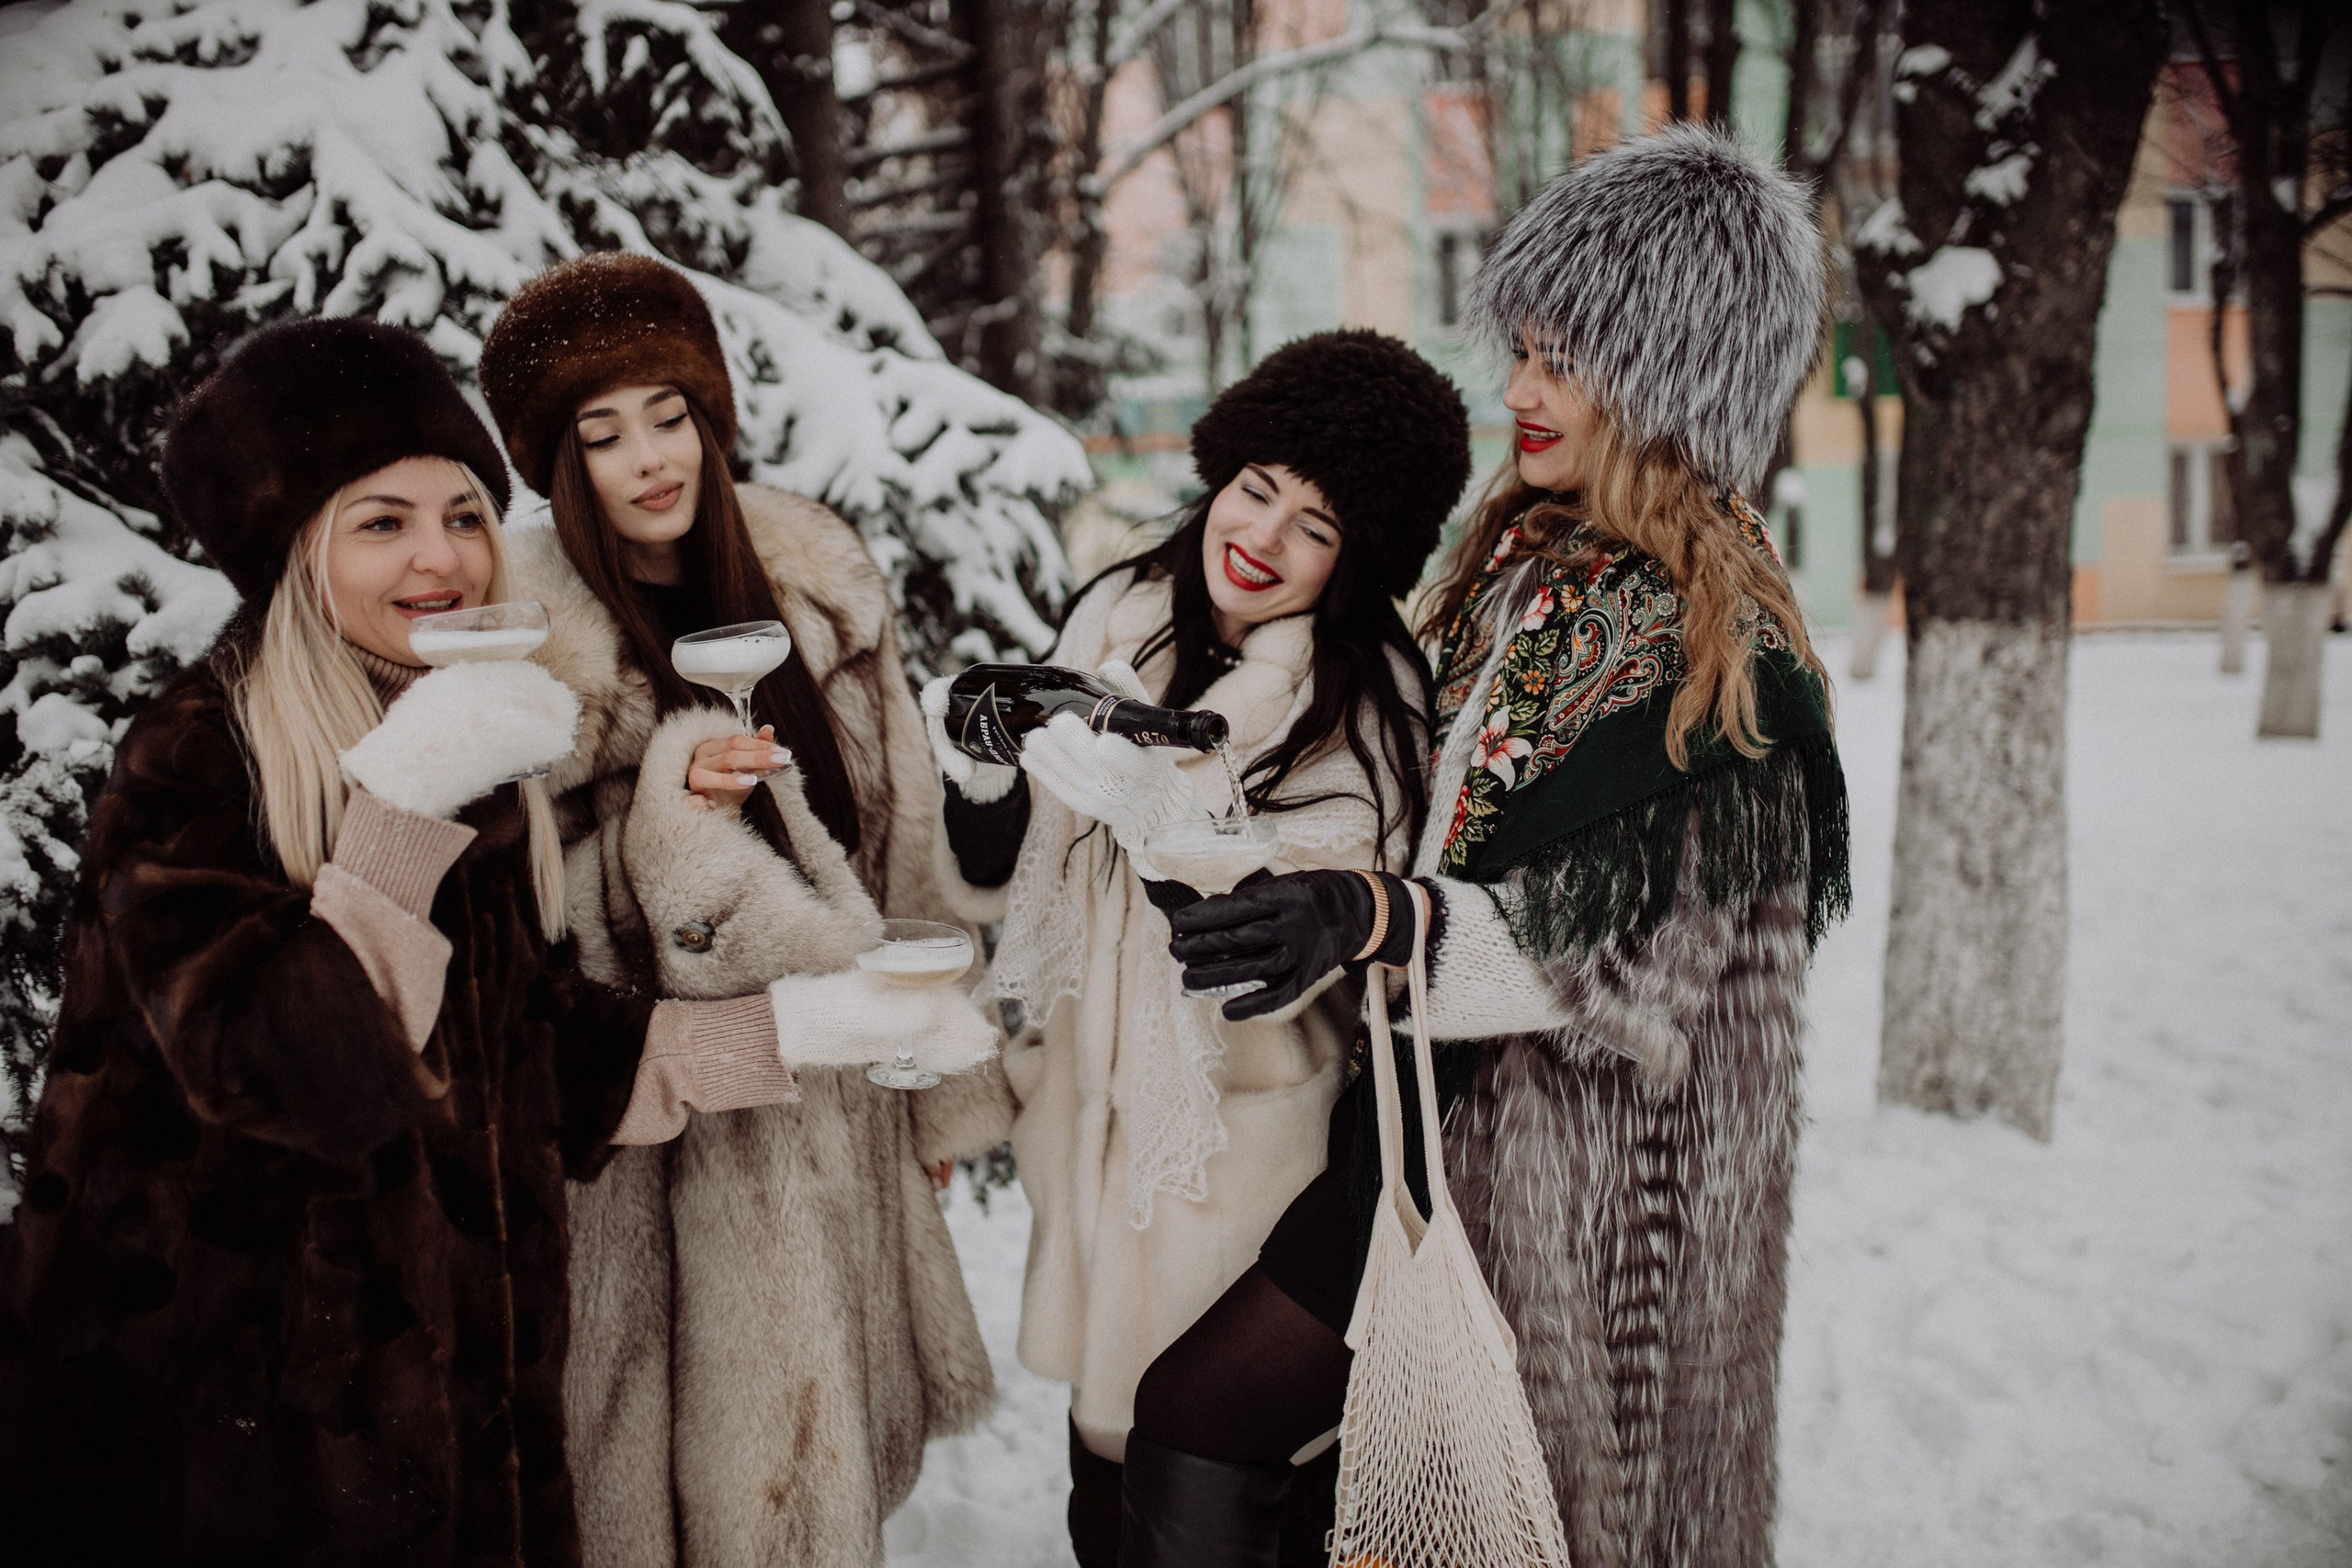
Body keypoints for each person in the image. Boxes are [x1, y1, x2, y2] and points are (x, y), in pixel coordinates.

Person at [0, 320, 987, 1563]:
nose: (442, 558)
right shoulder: (204, 755)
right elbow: (289, 1072)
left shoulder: (454, 738)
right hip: (229, 1445)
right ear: (295, 550)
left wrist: (806, 1027)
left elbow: (541, 1057)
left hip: (456, 1445)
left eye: (465, 515)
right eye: (382, 522)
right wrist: (400, 812)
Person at [1156, 125, 1851, 1567]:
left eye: (1565, 362)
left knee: (1410, 1491)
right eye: (1524, 348)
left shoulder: (1727, 653)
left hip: (1576, 1203)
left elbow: (1634, 978)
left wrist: (1379, 920)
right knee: (1283, 1467)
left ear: (1667, 380)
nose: (1521, 393)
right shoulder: (1509, 563)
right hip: (1413, 1130)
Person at [478, 252, 1012, 1568]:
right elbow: (530, 921)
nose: (650, 458)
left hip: (836, 1118)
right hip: (662, 1156)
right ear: (558, 467)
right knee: (681, 1500)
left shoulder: (814, 583)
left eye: (670, 413)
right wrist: (674, 818)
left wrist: (931, 1086)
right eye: (601, 435)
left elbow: (897, 853)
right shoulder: (532, 644)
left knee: (824, 1479)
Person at [924, 331, 1471, 1568]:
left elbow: (1285, 937)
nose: (1263, 537)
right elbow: (999, 873)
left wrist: (1170, 805)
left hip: (1238, 1159)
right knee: (1099, 1502)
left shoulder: (1366, 698)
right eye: (1257, 486)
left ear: (1358, 557)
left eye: (1315, 526)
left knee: (1226, 1514)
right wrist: (982, 764)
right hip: (1095, 1139)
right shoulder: (1115, 615)